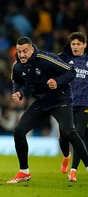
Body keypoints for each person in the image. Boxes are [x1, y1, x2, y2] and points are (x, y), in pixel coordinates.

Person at [8, 36, 88, 183]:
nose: (22, 54)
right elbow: (17, 82)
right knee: (18, 131)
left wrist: (57, 82)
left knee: (69, 132)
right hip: (42, 101)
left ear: (32, 49)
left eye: (25, 51)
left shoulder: (46, 59)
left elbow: (71, 72)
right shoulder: (17, 66)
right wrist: (18, 92)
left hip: (60, 99)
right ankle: (24, 172)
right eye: (19, 52)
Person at [58, 32, 88, 182]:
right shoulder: (64, 59)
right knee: (63, 136)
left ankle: (74, 171)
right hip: (66, 103)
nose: (75, 47)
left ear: (84, 45)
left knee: (79, 134)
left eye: (78, 44)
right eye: (73, 44)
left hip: (84, 104)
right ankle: (66, 156)